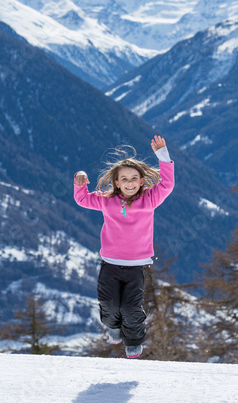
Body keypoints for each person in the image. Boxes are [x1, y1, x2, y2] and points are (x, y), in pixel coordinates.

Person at [73, 135, 174, 358]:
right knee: (108, 304)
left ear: (141, 181)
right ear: (116, 182)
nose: (130, 182)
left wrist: (163, 156)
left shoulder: (150, 199)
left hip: (136, 266)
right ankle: (113, 326)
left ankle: (134, 339)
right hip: (109, 263)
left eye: (134, 178)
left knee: (131, 308)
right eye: (125, 179)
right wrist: (79, 179)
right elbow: (82, 200)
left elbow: (167, 184)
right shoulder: (106, 199)